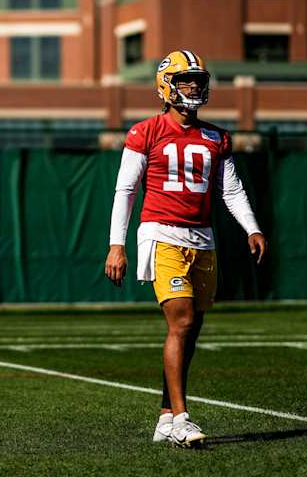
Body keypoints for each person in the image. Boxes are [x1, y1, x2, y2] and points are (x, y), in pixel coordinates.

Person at [103, 49, 267, 448]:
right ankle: (181, 418)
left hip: (203, 239)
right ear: (165, 86)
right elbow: (126, 189)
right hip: (162, 235)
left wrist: (252, 227)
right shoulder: (145, 132)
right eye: (185, 79)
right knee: (181, 323)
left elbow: (230, 188)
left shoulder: (217, 136)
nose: (194, 86)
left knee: (192, 327)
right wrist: (116, 245)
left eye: (198, 79)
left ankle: (164, 413)